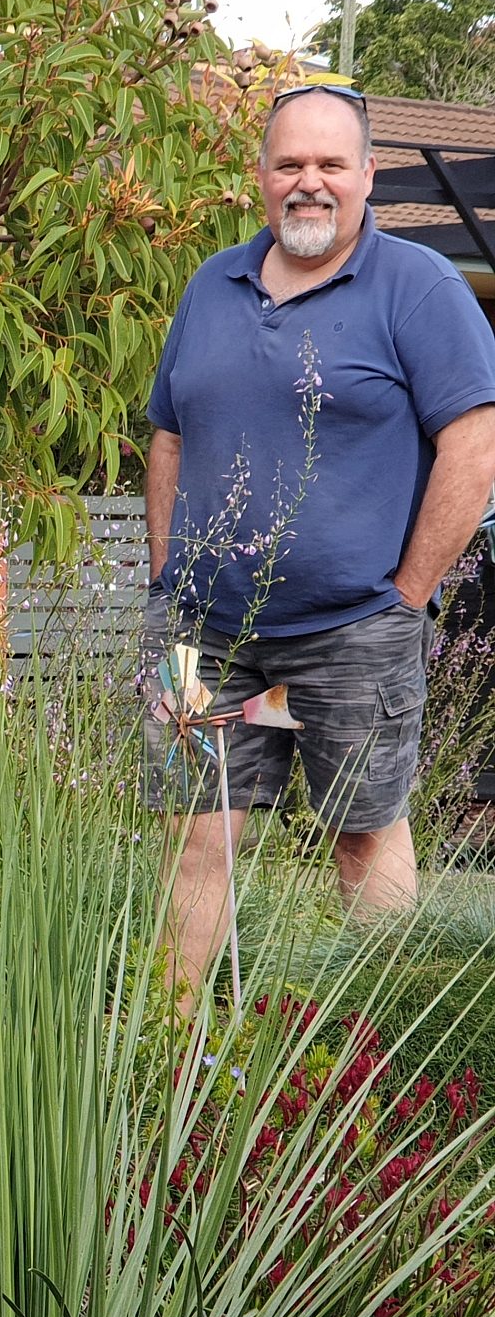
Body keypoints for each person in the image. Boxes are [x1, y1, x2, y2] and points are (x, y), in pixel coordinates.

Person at [144, 83, 495, 997]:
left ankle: (372, 1074)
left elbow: (474, 445)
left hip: (351, 634)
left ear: (368, 175)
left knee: (361, 833)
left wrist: (407, 597)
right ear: (260, 176)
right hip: (204, 640)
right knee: (196, 829)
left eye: (331, 164)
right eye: (290, 163)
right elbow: (170, 435)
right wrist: (163, 581)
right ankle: (174, 1058)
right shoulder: (211, 284)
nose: (310, 183)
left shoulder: (421, 289)